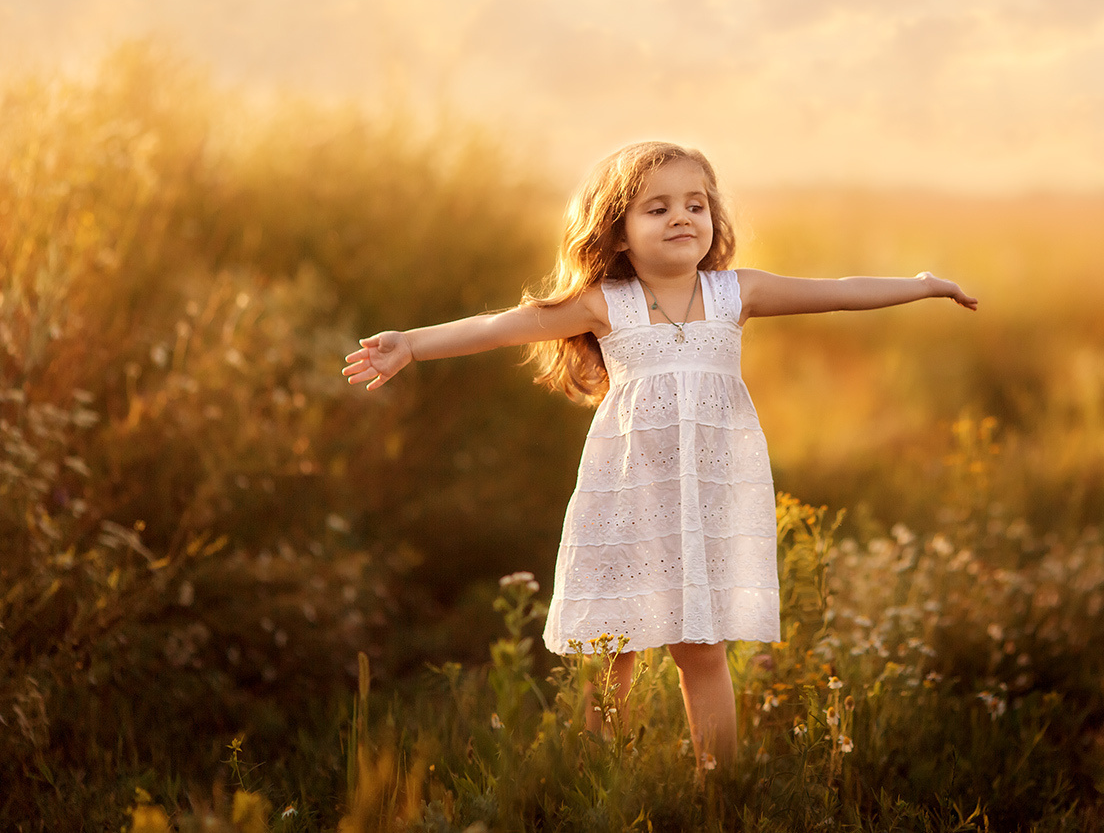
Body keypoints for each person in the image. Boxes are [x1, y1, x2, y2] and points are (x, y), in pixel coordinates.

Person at [342, 141, 977, 772]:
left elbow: (838, 291)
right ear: (618, 233)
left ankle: (718, 792)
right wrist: (413, 345)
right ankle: (598, 786)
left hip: (706, 502)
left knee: (702, 649)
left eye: (696, 205)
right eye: (658, 208)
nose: (681, 218)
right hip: (627, 499)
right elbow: (499, 326)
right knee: (611, 648)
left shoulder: (737, 293)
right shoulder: (604, 304)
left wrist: (921, 286)